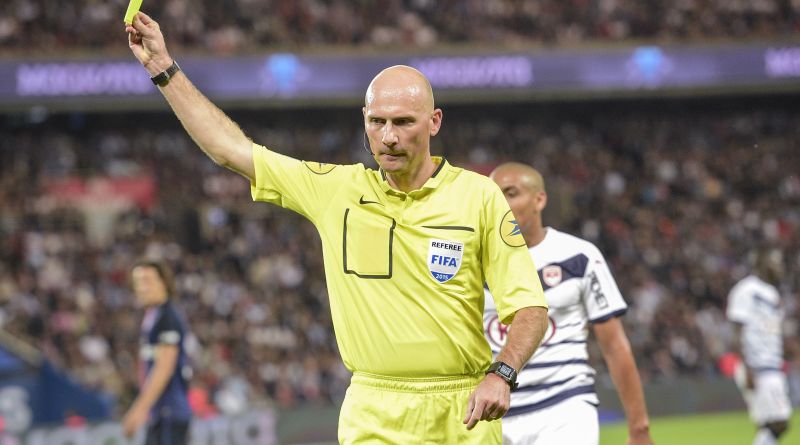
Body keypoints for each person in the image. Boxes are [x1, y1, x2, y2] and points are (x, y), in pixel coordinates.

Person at [124, 12, 549, 444]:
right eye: (376, 121)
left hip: (462, 410)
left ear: (434, 122)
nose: (387, 137)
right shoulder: (337, 190)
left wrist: (503, 373)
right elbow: (229, 149)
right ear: (363, 118)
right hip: (372, 408)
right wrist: (163, 68)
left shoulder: (477, 196)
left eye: (403, 122)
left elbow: (529, 308)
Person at [483, 163, 653, 445]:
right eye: (494, 195)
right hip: (494, 409)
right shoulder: (472, 262)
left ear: (540, 199)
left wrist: (639, 427)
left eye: (511, 193)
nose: (501, 203)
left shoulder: (579, 256)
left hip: (566, 407)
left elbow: (614, 346)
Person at [727, 247, 792, 445]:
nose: (780, 267)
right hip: (757, 366)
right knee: (780, 422)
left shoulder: (772, 293)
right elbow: (737, 329)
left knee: (768, 424)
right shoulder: (747, 290)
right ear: (762, 263)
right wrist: (747, 367)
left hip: (771, 364)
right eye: (776, 262)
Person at [123, 259, 193, 444]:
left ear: (164, 283)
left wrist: (138, 409)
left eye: (148, 280)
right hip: (159, 412)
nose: (142, 287)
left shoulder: (168, 317)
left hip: (169, 411)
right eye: (138, 282)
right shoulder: (152, 316)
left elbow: (164, 367)